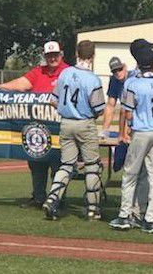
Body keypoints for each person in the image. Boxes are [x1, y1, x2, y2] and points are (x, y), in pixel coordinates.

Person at [0, 41, 69, 208]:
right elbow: (21, 84)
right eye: (49, 55)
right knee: (36, 164)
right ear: (45, 56)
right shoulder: (38, 72)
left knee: (58, 165)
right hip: (38, 130)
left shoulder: (68, 72)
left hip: (60, 129)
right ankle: (38, 197)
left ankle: (58, 198)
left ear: (61, 54)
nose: (52, 58)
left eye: (55, 54)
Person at [110, 41, 153, 233]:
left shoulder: (132, 83)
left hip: (141, 131)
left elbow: (128, 112)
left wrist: (126, 129)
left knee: (130, 174)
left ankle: (124, 215)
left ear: (138, 63)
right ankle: (151, 219)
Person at [43, 40, 105, 220]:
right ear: (92, 56)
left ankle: (52, 199)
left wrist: (66, 108)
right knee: (92, 166)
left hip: (66, 122)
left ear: (76, 54)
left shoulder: (65, 73)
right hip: (85, 123)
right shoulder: (93, 79)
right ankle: (93, 208)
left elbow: (53, 99)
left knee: (66, 164)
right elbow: (99, 108)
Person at [100, 56, 136, 137]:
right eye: (114, 71)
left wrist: (128, 128)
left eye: (120, 69)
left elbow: (132, 109)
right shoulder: (114, 80)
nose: (117, 73)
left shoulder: (133, 78)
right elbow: (110, 106)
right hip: (125, 114)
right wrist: (104, 131)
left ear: (125, 67)